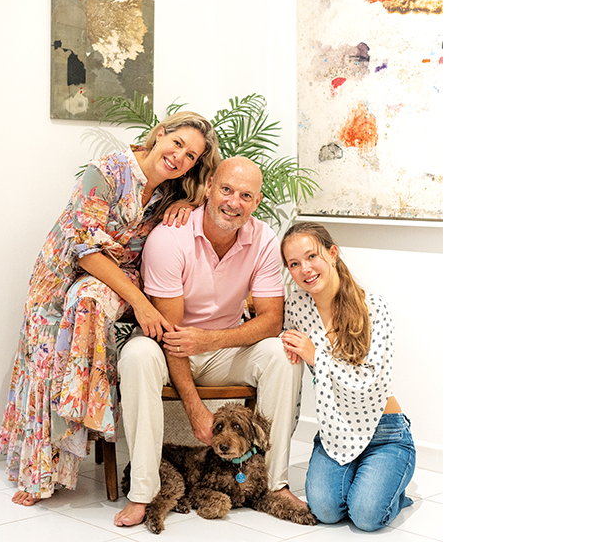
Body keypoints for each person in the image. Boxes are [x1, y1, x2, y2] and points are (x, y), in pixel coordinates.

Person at [0, 111, 221, 505]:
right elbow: (84, 250)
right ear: (160, 134)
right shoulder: (109, 171)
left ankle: (85, 417)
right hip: (63, 274)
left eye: (191, 156)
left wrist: (187, 201)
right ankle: (38, 473)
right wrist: (142, 305)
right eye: (178, 144)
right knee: (48, 361)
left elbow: (216, 195)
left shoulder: (173, 190)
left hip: (113, 280)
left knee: (87, 305)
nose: (180, 157)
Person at [114, 156, 306, 527]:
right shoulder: (169, 238)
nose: (234, 202)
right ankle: (143, 492)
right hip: (167, 345)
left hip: (220, 348)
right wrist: (195, 408)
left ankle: (273, 482)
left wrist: (210, 339)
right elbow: (172, 336)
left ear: (257, 201)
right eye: (227, 190)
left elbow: (271, 320)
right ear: (209, 186)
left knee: (282, 354)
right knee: (137, 353)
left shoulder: (263, 238)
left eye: (245, 195)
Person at [279, 221, 416, 532]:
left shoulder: (374, 308)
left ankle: (393, 484)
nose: (305, 269)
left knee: (366, 517)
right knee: (325, 510)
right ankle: (366, 480)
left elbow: (370, 382)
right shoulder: (297, 307)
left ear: (332, 253)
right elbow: (283, 341)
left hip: (384, 432)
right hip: (335, 430)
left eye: (312, 256)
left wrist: (315, 356)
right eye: (294, 264)